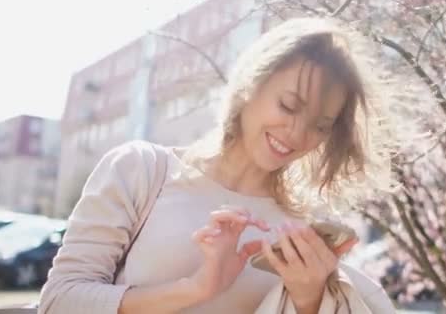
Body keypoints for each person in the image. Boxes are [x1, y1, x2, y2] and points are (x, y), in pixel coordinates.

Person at [38, 17, 396, 314]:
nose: (298, 133)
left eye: (320, 125)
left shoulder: (300, 230)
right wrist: (196, 288)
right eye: (288, 106)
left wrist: (309, 299)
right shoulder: (143, 170)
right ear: (249, 84)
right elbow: (60, 300)